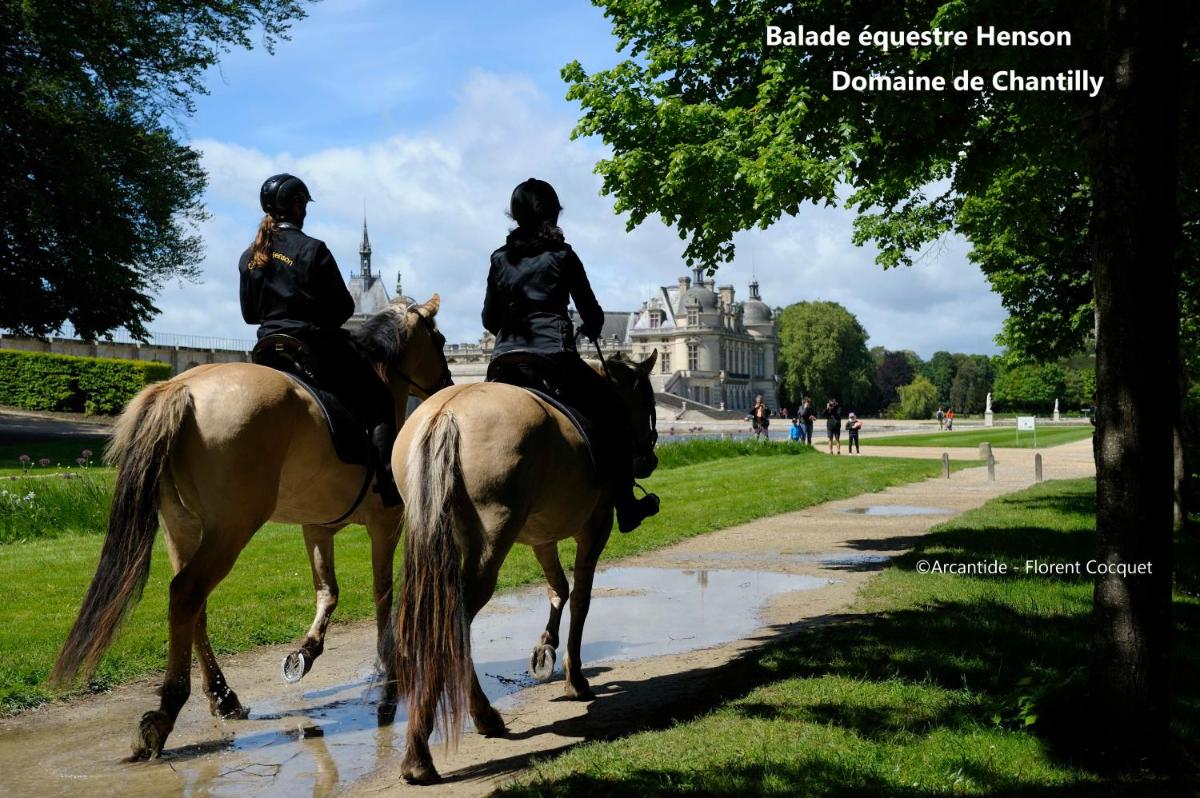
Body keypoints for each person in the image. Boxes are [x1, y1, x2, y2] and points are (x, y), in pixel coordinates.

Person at [482, 178, 658, 533]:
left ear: (515, 216)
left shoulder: (500, 259)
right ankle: (626, 504)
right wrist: (589, 327)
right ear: (552, 215)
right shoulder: (563, 256)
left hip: (504, 359)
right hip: (553, 355)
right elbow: (592, 314)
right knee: (613, 412)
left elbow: (489, 318)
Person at [239, 173, 401, 506]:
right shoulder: (312, 250)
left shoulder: (250, 255)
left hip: (267, 346)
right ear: (297, 206)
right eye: (303, 204)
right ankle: (386, 484)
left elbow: (249, 314)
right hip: (310, 347)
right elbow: (343, 308)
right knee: (380, 397)